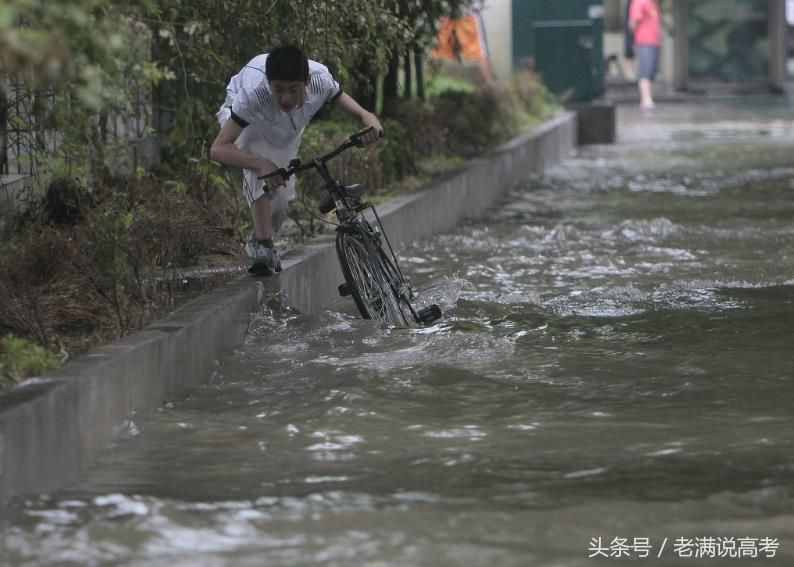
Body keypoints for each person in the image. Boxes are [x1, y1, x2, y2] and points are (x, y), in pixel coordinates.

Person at [210, 45, 383, 273]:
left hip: (286, 131)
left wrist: (369, 119)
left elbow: (354, 108)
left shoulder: (320, 79)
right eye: (278, 89)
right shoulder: (253, 95)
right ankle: (262, 244)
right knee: (260, 167)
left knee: (280, 200)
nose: (285, 98)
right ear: (269, 83)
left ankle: (261, 237)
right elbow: (218, 148)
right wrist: (260, 163)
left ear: (307, 82)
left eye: (293, 89)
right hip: (248, 123)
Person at [629, 0, 662, 110]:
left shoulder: (653, 3)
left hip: (654, 41)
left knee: (651, 71)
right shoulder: (639, 2)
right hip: (644, 41)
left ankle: (648, 97)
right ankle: (646, 99)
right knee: (645, 70)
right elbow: (634, 22)